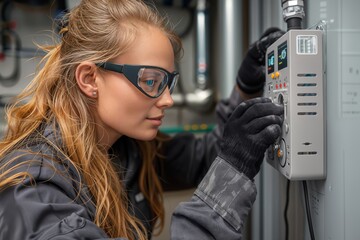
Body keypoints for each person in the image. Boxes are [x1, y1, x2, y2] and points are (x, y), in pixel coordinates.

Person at [0, 0, 284, 239]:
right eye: (150, 80)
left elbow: (210, 157)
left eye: (167, 82)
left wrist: (245, 88)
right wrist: (229, 177)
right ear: (89, 78)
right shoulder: (35, 191)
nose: (167, 99)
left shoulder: (125, 147)